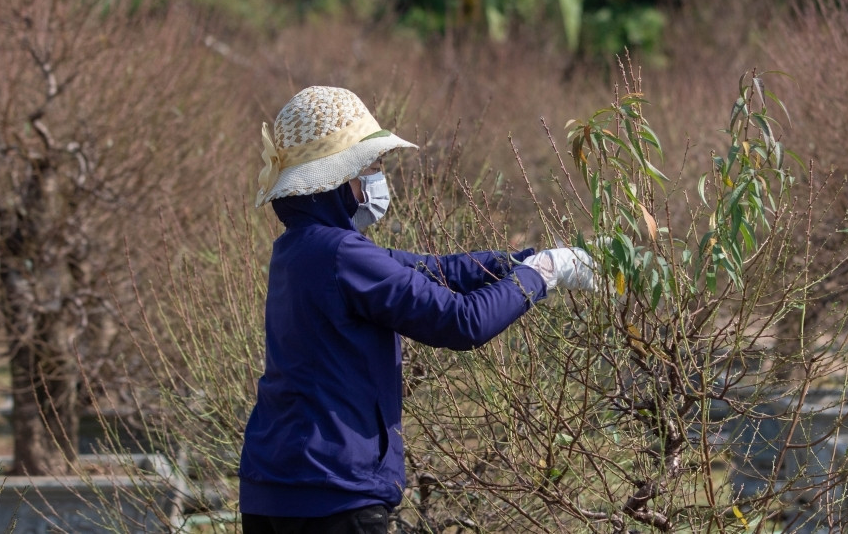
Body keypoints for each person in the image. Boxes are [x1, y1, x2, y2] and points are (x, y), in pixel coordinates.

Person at [239, 86, 597, 534]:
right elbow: (462, 322)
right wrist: (544, 273)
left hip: (271, 490)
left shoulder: (298, 251)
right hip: (335, 494)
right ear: (335, 179)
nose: (374, 180)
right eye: (369, 167)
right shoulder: (341, 255)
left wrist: (516, 263)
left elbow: (434, 270)